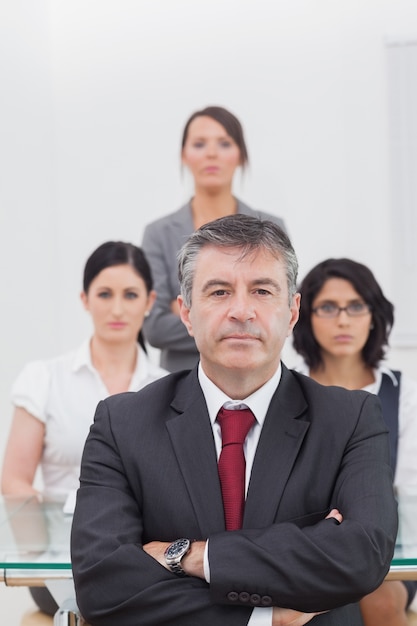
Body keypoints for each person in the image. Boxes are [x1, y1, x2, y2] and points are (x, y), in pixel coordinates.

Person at [71, 215, 397, 626]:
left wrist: (192, 555)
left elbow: (362, 555)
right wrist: (265, 617)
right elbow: (103, 585)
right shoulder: (121, 424)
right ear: (186, 313)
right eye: (219, 291)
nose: (241, 311)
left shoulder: (351, 419)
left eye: (262, 291)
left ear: (292, 311)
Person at [1, 240, 168, 615]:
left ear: (149, 300)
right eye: (105, 294)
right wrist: (41, 551)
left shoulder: (170, 387)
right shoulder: (44, 378)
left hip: (147, 563)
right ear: (84, 299)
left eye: (130, 294)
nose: (117, 308)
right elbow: (14, 481)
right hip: (62, 565)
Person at [292, 257, 417, 626]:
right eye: (328, 307)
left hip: (386, 547)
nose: (343, 320)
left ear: (374, 314)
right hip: (304, 543)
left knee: (380, 599)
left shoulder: (401, 390)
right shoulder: (288, 388)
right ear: (305, 315)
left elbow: (410, 490)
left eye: (356, 307)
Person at [141, 105, 287, 372]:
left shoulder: (271, 228)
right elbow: (155, 328)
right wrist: (241, 322)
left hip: (255, 378)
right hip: (181, 383)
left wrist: (201, 313)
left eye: (224, 143)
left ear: (241, 155)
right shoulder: (159, 233)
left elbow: (278, 314)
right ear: (184, 155)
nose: (211, 153)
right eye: (199, 144)